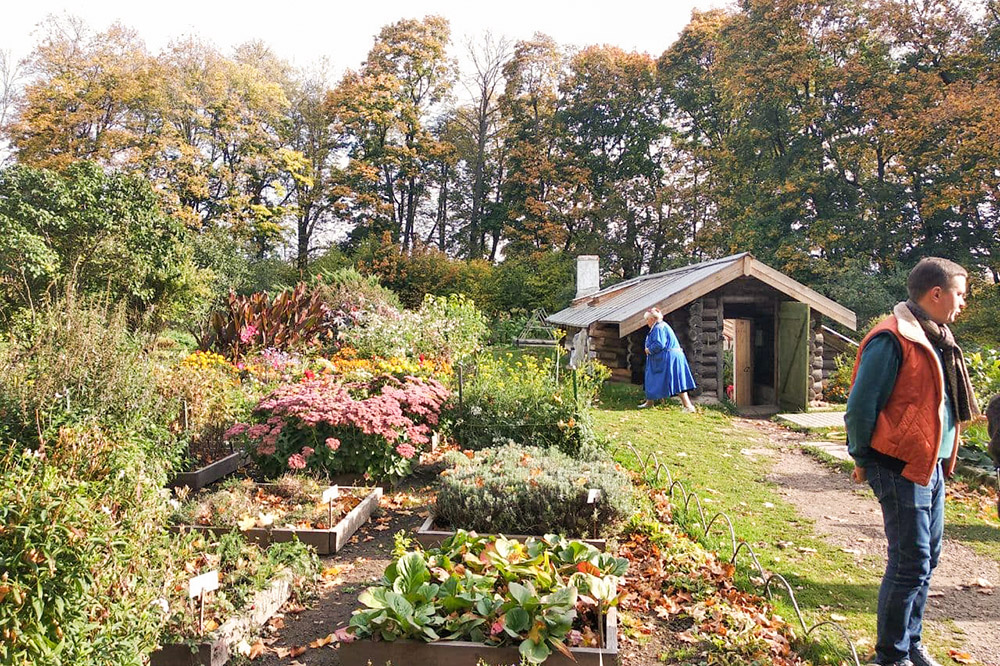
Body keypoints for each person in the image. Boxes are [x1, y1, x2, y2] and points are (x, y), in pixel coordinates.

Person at [846, 257, 980, 666]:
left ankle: (911, 643)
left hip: (931, 466)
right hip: (898, 464)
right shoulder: (892, 338)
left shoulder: (938, 338)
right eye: (959, 294)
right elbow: (860, 406)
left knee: (927, 559)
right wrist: (863, 459)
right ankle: (889, 656)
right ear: (935, 294)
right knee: (910, 562)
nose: (962, 304)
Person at [640, 308, 697, 411]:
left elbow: (659, 343)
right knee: (660, 379)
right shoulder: (661, 326)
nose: (646, 322)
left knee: (675, 381)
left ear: (652, 319)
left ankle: (688, 406)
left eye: (647, 319)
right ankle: (650, 402)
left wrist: (649, 350)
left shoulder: (659, 328)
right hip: (671, 357)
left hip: (668, 358)